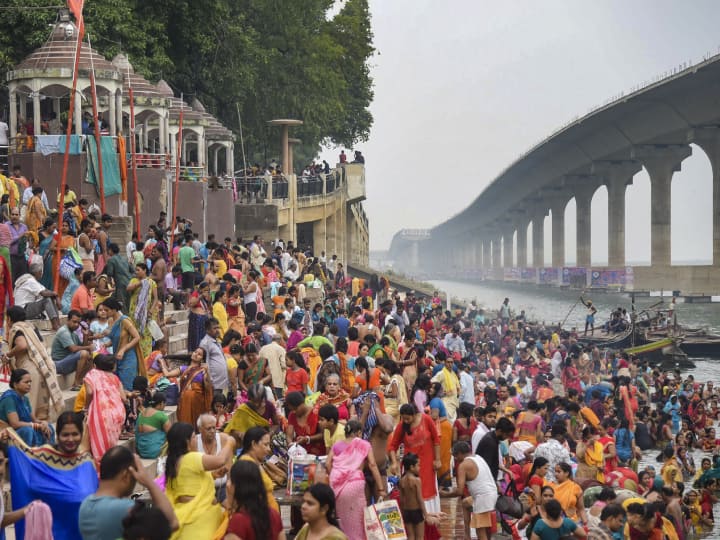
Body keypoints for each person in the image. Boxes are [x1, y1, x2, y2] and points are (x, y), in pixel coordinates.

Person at [7, 411, 98, 540]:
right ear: (57, 436)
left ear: (81, 434)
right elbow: (25, 471)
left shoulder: (86, 461)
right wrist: (9, 436)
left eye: (75, 434)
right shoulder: (42, 459)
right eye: (65, 435)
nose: (71, 439)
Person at [78, 446, 178, 540]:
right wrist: (148, 482)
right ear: (126, 475)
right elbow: (172, 523)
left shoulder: (85, 505)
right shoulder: (125, 508)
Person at [165, 422, 234, 538]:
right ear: (187, 442)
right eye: (193, 437)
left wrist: (212, 475)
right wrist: (230, 443)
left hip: (184, 513)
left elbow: (189, 482)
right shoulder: (192, 458)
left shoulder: (173, 460)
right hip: (199, 517)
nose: (196, 440)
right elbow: (220, 460)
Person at [327, 420, 385, 540]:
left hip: (335, 483)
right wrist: (380, 488)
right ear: (359, 432)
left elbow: (328, 463)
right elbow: (373, 465)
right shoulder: (363, 444)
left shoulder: (337, 445)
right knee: (357, 520)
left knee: (341, 518)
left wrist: (335, 476)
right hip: (354, 484)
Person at [3, 305, 64, 421]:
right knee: (41, 405)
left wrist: (8, 355)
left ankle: (30, 430)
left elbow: (22, 345)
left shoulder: (17, 329)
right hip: (41, 368)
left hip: (29, 370)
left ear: (9, 319)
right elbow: (42, 344)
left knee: (29, 404)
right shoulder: (31, 327)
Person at [388, 404, 442, 518]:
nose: (406, 421)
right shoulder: (402, 426)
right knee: (413, 494)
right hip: (410, 467)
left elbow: (436, 440)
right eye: (403, 418)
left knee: (427, 490)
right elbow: (392, 447)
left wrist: (437, 459)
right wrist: (393, 463)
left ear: (414, 415)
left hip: (427, 464)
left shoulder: (426, 419)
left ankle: (430, 522)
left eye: (408, 418)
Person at [446, 441, 498, 540]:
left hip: (483, 498)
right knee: (465, 503)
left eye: (455, 456)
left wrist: (444, 494)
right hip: (492, 494)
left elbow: (459, 491)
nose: (455, 459)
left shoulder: (463, 465)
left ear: (460, 453)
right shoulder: (478, 457)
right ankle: (467, 535)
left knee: (480, 529)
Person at [224, 460, 285, 540]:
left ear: (236, 487)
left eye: (230, 479)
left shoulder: (238, 521)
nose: (228, 484)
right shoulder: (274, 515)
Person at [84, 354, 127, 461]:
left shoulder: (92, 374)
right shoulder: (115, 378)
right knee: (111, 443)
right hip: (118, 413)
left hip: (102, 412)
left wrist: (86, 408)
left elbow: (89, 392)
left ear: (95, 365)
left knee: (100, 445)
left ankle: (101, 467)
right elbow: (124, 398)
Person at [0, 369, 54, 446]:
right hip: (7, 434)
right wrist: (36, 425)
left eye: (30, 382)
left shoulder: (25, 399)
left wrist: (43, 423)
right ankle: (28, 454)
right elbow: (15, 424)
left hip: (20, 430)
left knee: (48, 427)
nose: (29, 384)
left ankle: (47, 451)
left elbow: (34, 420)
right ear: (15, 384)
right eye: (26, 382)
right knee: (28, 431)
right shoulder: (9, 398)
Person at [164, 347, 212, 428]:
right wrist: (162, 363)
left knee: (196, 426)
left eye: (199, 354)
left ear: (202, 359)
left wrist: (207, 372)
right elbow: (167, 374)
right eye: (195, 352)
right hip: (184, 401)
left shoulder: (203, 370)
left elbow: (208, 388)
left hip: (197, 402)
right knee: (185, 426)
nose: (196, 354)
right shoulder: (184, 368)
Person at [102, 298, 144, 391]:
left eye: (107, 310)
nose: (104, 312)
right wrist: (107, 344)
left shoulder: (124, 321)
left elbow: (137, 337)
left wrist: (123, 349)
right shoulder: (111, 321)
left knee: (127, 387)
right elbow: (117, 338)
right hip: (117, 358)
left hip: (128, 358)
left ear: (114, 310)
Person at [192, 413, 234, 502]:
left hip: (222, 487)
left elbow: (229, 467)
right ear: (200, 429)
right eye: (208, 428)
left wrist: (230, 488)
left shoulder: (223, 438)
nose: (212, 431)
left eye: (214, 428)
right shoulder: (194, 442)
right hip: (202, 489)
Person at [50, 309, 93, 391]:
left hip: (67, 361)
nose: (76, 325)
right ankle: (76, 383)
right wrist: (88, 347)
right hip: (58, 364)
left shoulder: (73, 333)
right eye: (74, 322)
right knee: (84, 353)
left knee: (89, 356)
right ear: (68, 320)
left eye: (78, 323)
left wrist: (85, 336)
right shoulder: (64, 331)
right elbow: (74, 349)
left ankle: (80, 381)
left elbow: (81, 347)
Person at [239, 426, 280, 512]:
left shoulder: (254, 462)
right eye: (265, 444)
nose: (269, 449)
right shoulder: (246, 465)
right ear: (254, 444)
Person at [14, 257, 60, 330]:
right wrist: (56, 295)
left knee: (50, 297)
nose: (41, 274)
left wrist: (55, 296)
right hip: (23, 310)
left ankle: (57, 323)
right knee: (47, 299)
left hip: (25, 308)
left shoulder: (31, 279)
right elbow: (44, 293)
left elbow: (46, 290)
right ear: (38, 273)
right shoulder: (30, 281)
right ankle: (55, 325)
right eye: (41, 272)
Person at [126, 263, 158, 361]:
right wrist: (140, 283)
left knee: (145, 336)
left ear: (144, 270)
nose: (136, 272)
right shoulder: (134, 281)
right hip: (134, 314)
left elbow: (155, 298)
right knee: (134, 334)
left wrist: (151, 311)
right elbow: (128, 289)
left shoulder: (152, 283)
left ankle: (146, 360)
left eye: (138, 270)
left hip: (146, 315)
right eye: (136, 270)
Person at [285, 391, 324, 455]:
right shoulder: (292, 415)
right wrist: (291, 444)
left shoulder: (316, 413)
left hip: (317, 451)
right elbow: (289, 435)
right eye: (291, 410)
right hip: (300, 451)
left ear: (302, 403)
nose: (294, 412)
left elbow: (323, 434)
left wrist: (307, 439)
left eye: (295, 409)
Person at [135, 391, 171, 459]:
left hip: (142, 452)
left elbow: (136, 434)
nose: (165, 406)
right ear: (161, 403)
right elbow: (171, 434)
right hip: (155, 452)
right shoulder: (161, 415)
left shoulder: (140, 414)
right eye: (165, 404)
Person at [200, 317, 230, 397]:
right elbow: (205, 364)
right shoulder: (205, 343)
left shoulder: (216, 341)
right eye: (214, 328)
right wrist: (210, 381)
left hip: (221, 382)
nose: (217, 330)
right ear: (207, 330)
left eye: (218, 327)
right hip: (214, 383)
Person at [104, 243, 132, 311]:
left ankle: (123, 319)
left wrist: (109, 283)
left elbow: (109, 274)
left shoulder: (111, 260)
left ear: (110, 250)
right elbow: (132, 270)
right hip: (130, 282)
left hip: (120, 284)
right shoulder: (124, 258)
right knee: (128, 302)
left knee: (121, 304)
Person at [259, 334, 287, 399]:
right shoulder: (281, 349)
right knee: (278, 401)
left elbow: (259, 362)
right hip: (277, 380)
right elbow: (284, 365)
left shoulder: (263, 348)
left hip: (265, 380)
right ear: (280, 340)